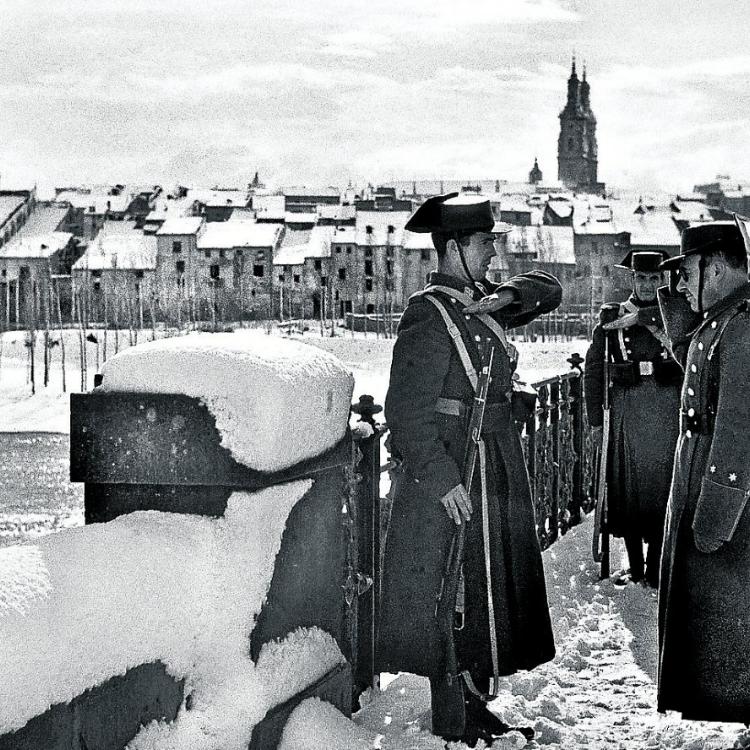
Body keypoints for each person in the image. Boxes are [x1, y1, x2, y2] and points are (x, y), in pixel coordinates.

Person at [378, 193, 560, 746]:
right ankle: (455, 712)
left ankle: (478, 701)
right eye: (483, 244)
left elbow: (548, 289)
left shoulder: (483, 304)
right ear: (453, 248)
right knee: (452, 593)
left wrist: (505, 296)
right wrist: (441, 478)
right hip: (456, 473)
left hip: (494, 464)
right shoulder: (427, 315)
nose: (492, 253)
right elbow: (404, 412)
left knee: (488, 591)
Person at [657, 218, 750, 722]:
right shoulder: (724, 318)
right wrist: (675, 316)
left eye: (687, 270)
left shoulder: (744, 324)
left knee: (736, 611)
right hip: (700, 472)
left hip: (731, 498)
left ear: (713, 268)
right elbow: (704, 372)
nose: (682, 283)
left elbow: (739, 426)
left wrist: (716, 512)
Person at [583, 250, 682, 588]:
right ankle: (636, 566)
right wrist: (596, 421)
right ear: (632, 279)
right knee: (627, 489)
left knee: (661, 487)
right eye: (641, 278)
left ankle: (655, 565)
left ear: (663, 280)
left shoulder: (678, 315)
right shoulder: (612, 317)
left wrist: (644, 319)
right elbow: (593, 370)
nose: (647, 284)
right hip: (627, 407)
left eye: (655, 278)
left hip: (666, 408)